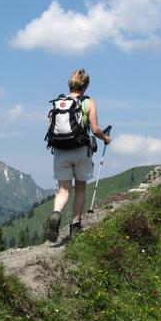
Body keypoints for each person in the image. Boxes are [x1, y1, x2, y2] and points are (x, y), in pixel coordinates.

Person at [47, 68, 111, 242]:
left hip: (60, 152)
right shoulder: (88, 102)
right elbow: (95, 129)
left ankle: (56, 214)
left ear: (70, 84)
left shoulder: (58, 103)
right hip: (81, 151)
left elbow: (50, 129)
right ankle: (75, 226)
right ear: (85, 86)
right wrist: (106, 138)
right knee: (80, 189)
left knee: (63, 191)